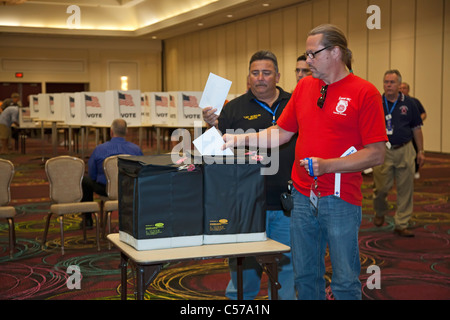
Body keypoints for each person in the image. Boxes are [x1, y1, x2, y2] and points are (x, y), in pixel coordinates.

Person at [222, 24, 387, 300]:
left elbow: (376, 153)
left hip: (340, 198)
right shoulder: (305, 88)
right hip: (300, 197)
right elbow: (282, 133)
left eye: (313, 54)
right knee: (305, 276)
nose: (307, 60)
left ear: (335, 52)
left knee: (345, 280)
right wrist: (240, 139)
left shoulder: (364, 92)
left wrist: (329, 165)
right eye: (307, 54)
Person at [203, 50, 297, 300]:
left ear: (277, 75)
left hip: (287, 203)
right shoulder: (233, 109)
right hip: (246, 204)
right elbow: (213, 154)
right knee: (244, 270)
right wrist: (211, 126)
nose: (260, 78)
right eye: (255, 73)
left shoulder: (294, 103)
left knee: (287, 268)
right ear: (248, 77)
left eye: (266, 73)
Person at [372, 70, 425, 237]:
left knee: (405, 189)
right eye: (386, 82)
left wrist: (421, 151)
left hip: (405, 149)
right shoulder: (376, 102)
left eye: (392, 82)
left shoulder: (409, 103)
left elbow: (417, 128)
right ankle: (380, 211)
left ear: (399, 85)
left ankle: (401, 223)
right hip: (383, 150)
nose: (388, 85)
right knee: (381, 189)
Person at [81, 118, 143, 227]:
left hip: (105, 189)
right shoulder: (136, 150)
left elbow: (92, 174)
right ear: (126, 132)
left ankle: (87, 220)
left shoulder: (99, 149)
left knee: (85, 181)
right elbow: (142, 171)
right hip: (128, 189)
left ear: (111, 132)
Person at [400, 82, 426, 179]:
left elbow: (424, 113)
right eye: (400, 88)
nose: (402, 90)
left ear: (408, 90)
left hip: (412, 131)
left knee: (414, 150)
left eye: (404, 88)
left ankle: (415, 170)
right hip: (401, 132)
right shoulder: (395, 101)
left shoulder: (414, 101)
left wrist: (417, 120)